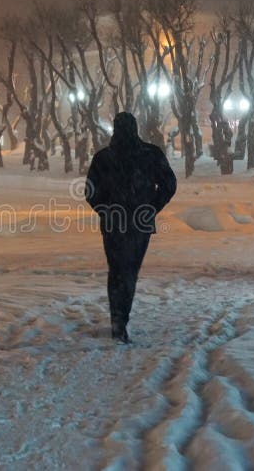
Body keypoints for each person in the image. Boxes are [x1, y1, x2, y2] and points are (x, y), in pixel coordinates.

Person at [86, 112, 177, 343]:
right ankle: (121, 319)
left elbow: (90, 191)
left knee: (116, 271)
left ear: (115, 130)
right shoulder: (150, 154)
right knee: (129, 273)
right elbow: (169, 184)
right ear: (135, 128)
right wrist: (152, 207)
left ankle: (118, 320)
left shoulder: (103, 158)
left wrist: (105, 209)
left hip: (113, 223)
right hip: (140, 223)